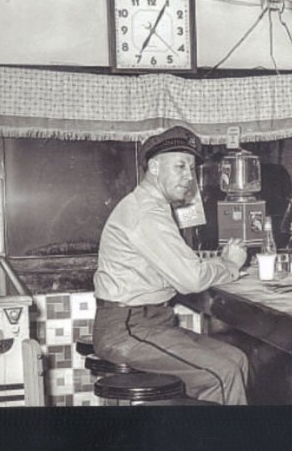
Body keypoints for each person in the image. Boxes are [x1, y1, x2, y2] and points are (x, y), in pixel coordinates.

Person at [93, 126, 249, 405]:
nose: (189, 177)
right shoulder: (146, 212)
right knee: (221, 374)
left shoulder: (154, 206)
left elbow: (180, 266)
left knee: (236, 359)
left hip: (151, 323)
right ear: (154, 167)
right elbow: (190, 279)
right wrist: (229, 263)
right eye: (180, 166)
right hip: (128, 329)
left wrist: (215, 265)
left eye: (191, 168)